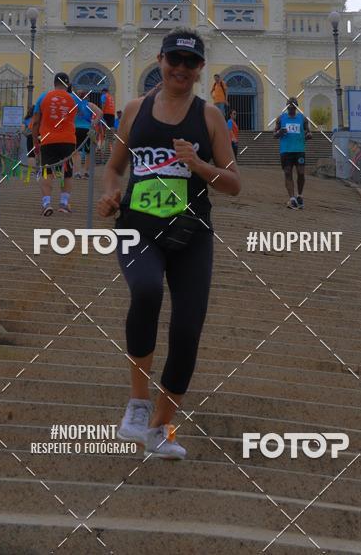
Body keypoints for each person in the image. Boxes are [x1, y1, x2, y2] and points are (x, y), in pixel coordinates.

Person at [97, 28, 241, 460]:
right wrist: (111, 194)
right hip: (138, 227)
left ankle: (160, 429)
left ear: (200, 70)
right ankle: (138, 404)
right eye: (173, 60)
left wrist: (197, 163)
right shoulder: (135, 111)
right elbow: (114, 168)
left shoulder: (210, 117)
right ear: (159, 60)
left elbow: (234, 183)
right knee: (145, 290)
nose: (180, 68)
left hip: (192, 234)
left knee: (187, 329)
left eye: (190, 63)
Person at [32, 72, 77, 216]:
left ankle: (46, 203)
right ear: (67, 84)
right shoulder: (73, 98)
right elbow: (94, 113)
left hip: (47, 140)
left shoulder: (43, 97)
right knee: (67, 173)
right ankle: (64, 204)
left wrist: (35, 143)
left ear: (54, 83)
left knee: (47, 172)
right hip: (68, 140)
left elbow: (36, 122)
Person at [274, 97, 312, 210]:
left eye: (293, 106)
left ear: (296, 107)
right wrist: (279, 132)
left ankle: (300, 196)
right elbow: (274, 134)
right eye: (289, 106)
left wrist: (309, 135)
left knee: (301, 173)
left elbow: (308, 132)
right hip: (285, 151)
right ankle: (292, 198)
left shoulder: (303, 119)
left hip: (299, 150)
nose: (291, 108)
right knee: (288, 173)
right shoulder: (281, 119)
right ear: (286, 107)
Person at [73, 90, 102, 178]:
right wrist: (94, 123)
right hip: (87, 129)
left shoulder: (74, 105)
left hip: (76, 129)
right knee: (88, 152)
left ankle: (77, 172)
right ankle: (86, 172)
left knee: (75, 152)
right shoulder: (90, 105)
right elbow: (100, 113)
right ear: (86, 96)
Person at [100, 86, 116, 156]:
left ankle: (103, 151)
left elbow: (103, 104)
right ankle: (111, 141)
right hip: (112, 114)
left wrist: (101, 112)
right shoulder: (111, 97)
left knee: (103, 131)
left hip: (106, 114)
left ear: (103, 91)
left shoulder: (104, 96)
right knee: (110, 131)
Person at [22, 106, 37, 174]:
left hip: (30, 137)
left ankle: (32, 171)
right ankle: (42, 170)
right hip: (38, 136)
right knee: (41, 153)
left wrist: (27, 135)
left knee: (31, 154)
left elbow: (22, 130)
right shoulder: (38, 118)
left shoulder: (26, 119)